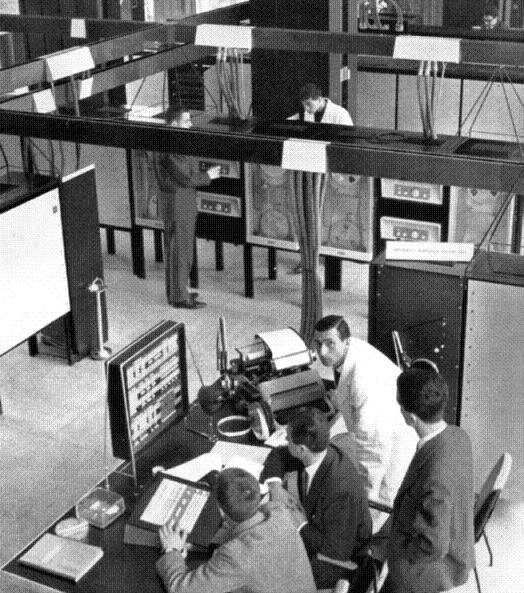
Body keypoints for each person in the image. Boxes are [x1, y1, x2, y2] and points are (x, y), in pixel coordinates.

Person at [312, 315, 418, 524]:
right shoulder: (351, 351)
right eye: (318, 343)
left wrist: (364, 496)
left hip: (392, 446)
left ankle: (368, 533)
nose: (322, 352)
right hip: (380, 430)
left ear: (345, 341)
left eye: (330, 343)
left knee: (373, 514)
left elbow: (373, 448)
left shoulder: (362, 380)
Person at [378, 368, 475, 593]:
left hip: (425, 572)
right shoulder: (458, 435)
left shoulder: (435, 477)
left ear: (410, 418)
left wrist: (397, 551)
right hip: (458, 546)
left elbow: (434, 545)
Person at [261, 407, 372, 589]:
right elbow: (278, 454)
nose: (286, 441)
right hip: (319, 528)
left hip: (339, 560)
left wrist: (301, 525)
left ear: (301, 449)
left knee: (268, 573)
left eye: (288, 439)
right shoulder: (318, 452)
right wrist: (275, 486)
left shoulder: (340, 490)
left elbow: (337, 550)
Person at [156, 467, 316, 593]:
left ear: (221, 511)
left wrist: (172, 550)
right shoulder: (278, 513)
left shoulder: (235, 556)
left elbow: (180, 588)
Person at [152, 106, 222, 309]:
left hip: (178, 202)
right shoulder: (171, 145)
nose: (190, 124)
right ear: (174, 123)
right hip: (179, 204)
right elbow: (186, 177)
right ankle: (180, 298)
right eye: (186, 121)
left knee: (177, 250)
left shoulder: (169, 139)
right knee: (181, 252)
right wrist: (209, 175)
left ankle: (177, 291)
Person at [289, 83, 353, 273]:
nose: (306, 109)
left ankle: (327, 256)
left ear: (319, 100)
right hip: (311, 170)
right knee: (309, 214)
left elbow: (348, 141)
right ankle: (309, 258)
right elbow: (291, 124)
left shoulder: (340, 114)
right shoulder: (305, 113)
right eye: (303, 105)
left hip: (331, 172)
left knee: (327, 215)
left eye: (309, 104)